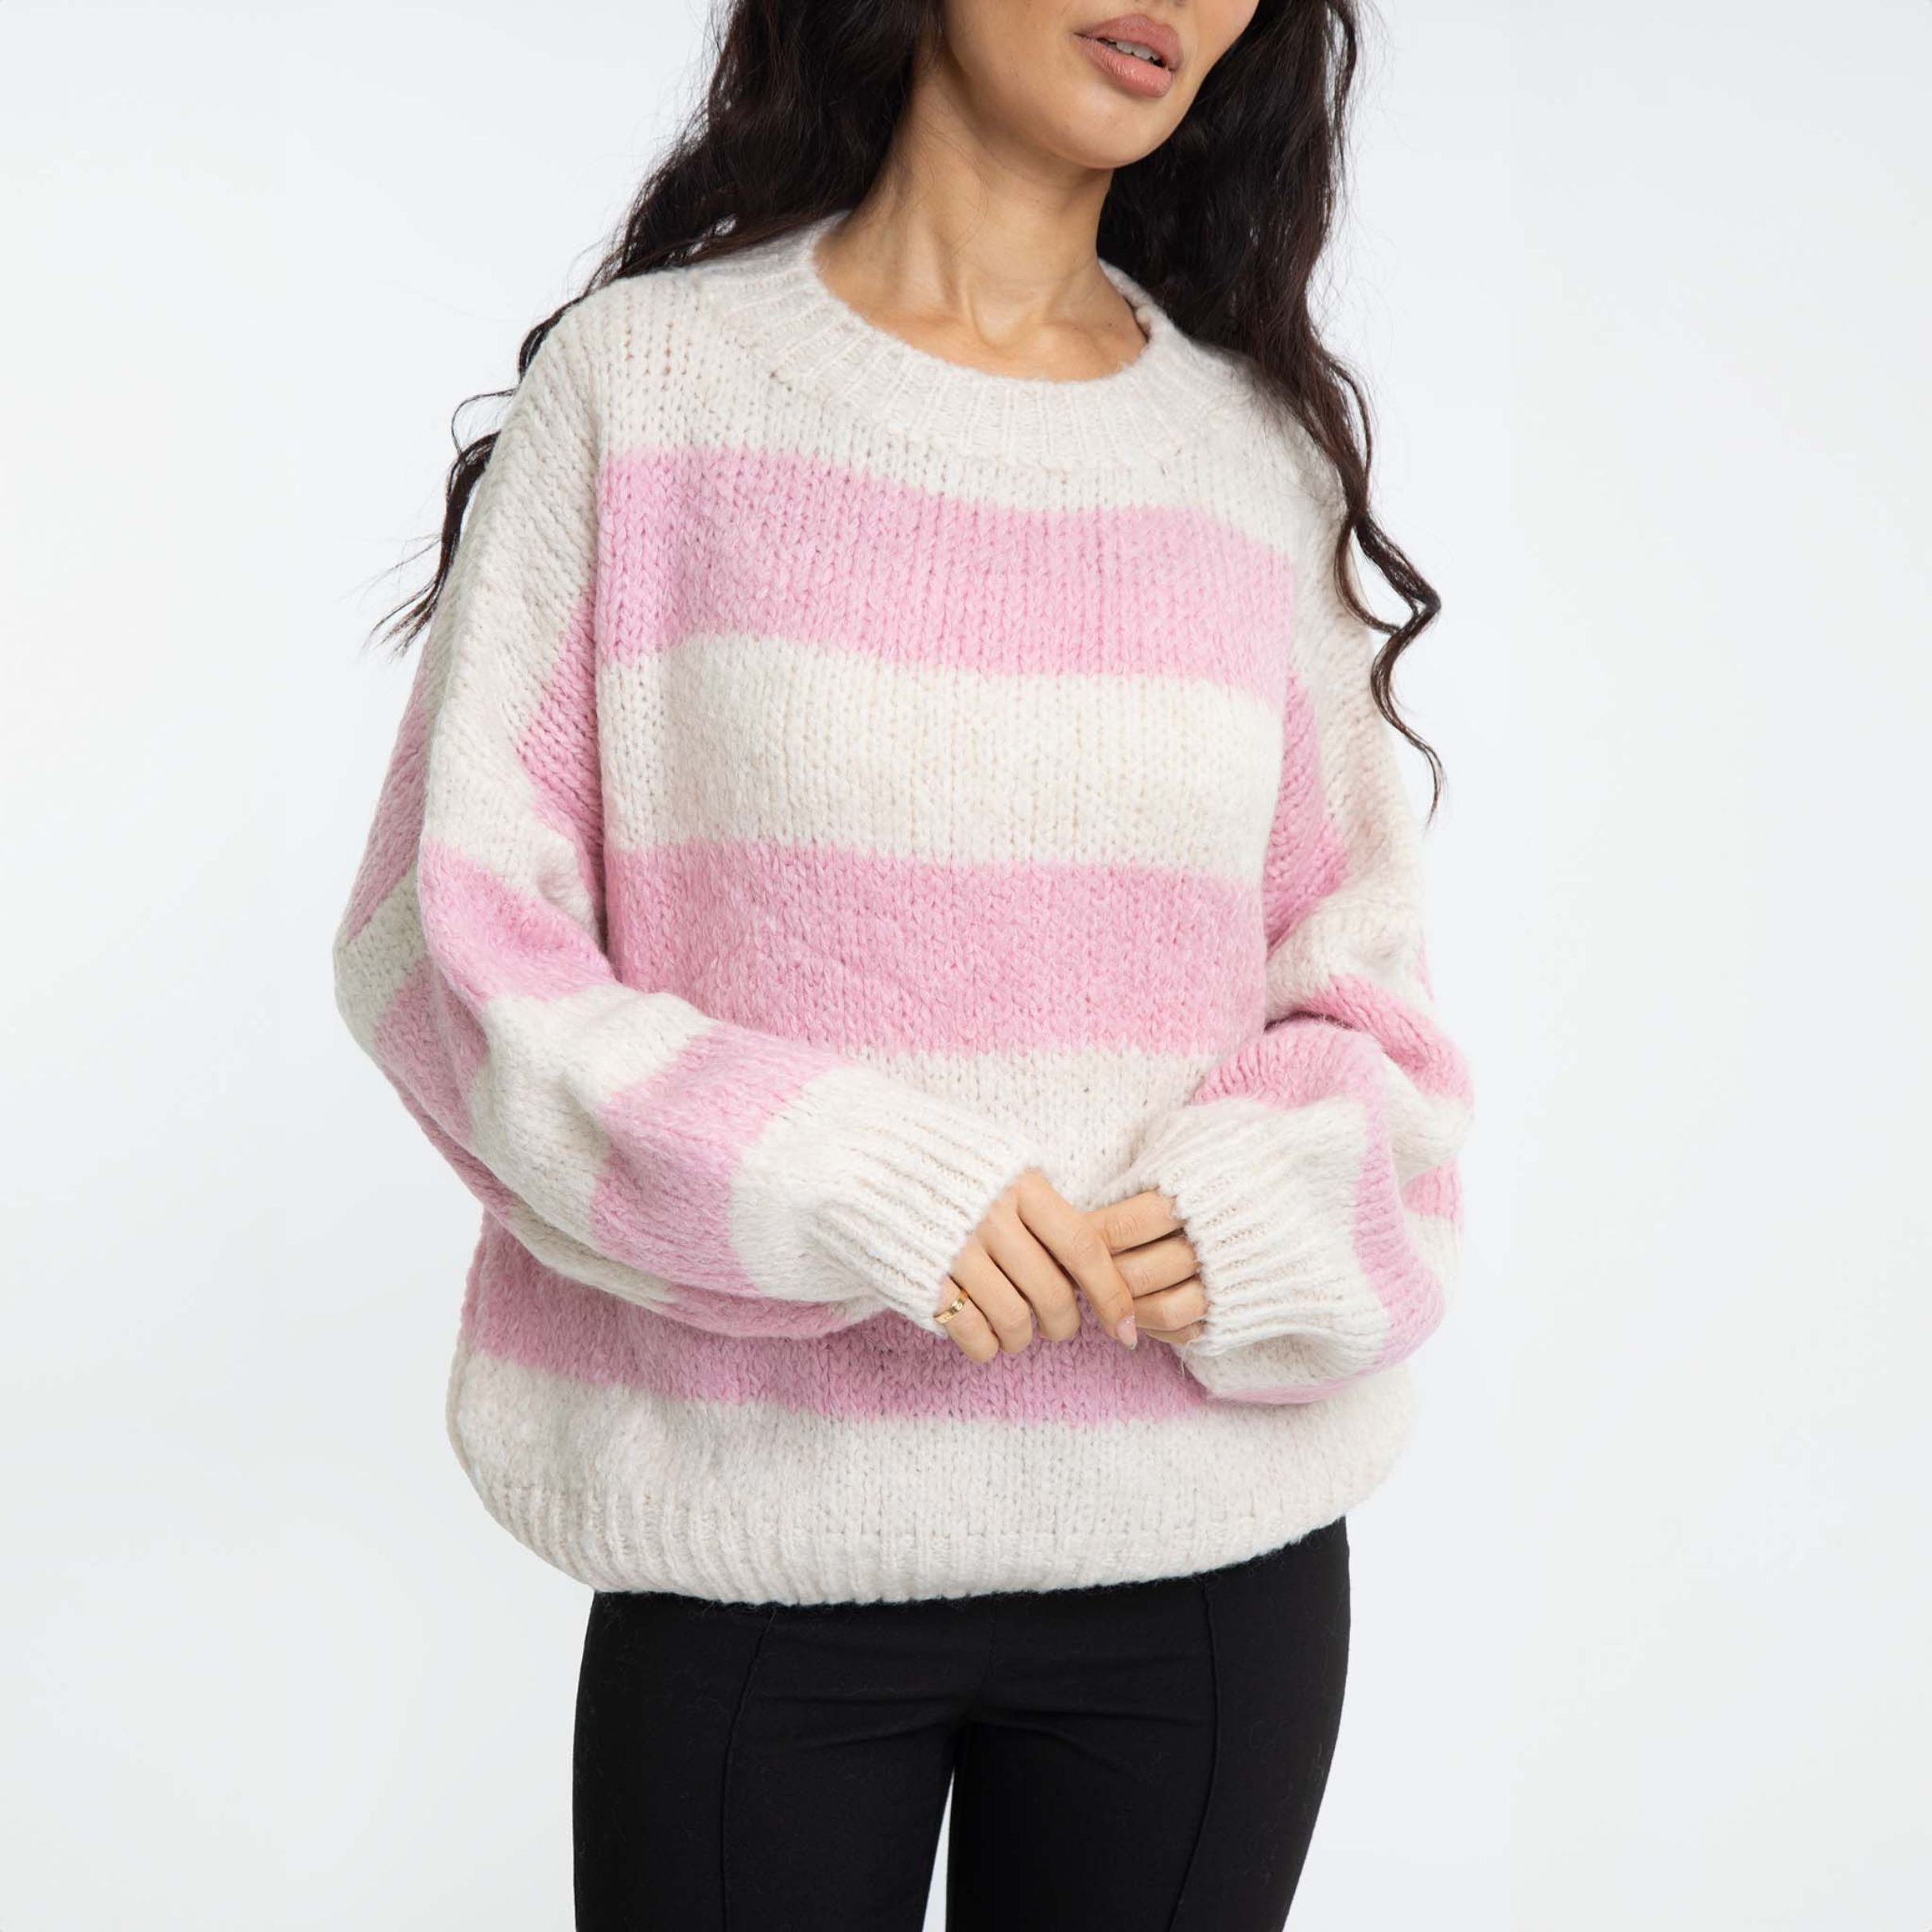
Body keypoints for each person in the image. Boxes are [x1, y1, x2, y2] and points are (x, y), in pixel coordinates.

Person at [330, 0, 1472, 1923]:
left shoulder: (1250, 461)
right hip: (754, 1544)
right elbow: (444, 955)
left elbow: (1373, 1006)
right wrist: (848, 1184)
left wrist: (1255, 1213)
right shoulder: (654, 393)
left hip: (1206, 1569)